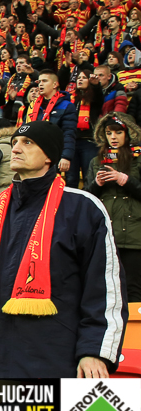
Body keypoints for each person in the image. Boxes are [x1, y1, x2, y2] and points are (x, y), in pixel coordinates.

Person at [0, 121, 126, 378]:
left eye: (28, 143)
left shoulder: (83, 208)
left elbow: (103, 289)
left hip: (54, 364)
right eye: (14, 143)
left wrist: (94, 350)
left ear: (49, 156)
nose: (15, 149)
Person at [86, 113, 141, 302]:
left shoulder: (138, 159)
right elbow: (87, 198)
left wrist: (125, 180)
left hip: (134, 233)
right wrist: (97, 184)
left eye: (118, 132)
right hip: (106, 232)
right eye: (109, 133)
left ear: (128, 133)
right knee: (106, 286)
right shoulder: (96, 161)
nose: (113, 137)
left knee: (132, 287)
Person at [17, 70, 75, 174]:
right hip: (32, 153)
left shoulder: (66, 106)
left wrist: (66, 156)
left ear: (55, 85)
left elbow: (68, 133)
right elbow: (25, 129)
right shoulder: (33, 105)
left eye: (44, 81)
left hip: (54, 154)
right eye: (39, 82)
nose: (40, 84)